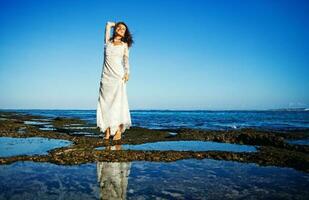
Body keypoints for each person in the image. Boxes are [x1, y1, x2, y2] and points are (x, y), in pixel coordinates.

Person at [96, 21, 134, 141]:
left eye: (123, 29)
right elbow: (107, 25)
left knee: (118, 103)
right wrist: (114, 24)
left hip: (118, 76)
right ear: (115, 29)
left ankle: (118, 130)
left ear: (125, 33)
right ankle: (107, 130)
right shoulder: (107, 42)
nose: (121, 29)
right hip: (106, 77)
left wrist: (127, 73)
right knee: (104, 104)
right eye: (119, 27)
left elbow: (126, 60)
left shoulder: (124, 45)